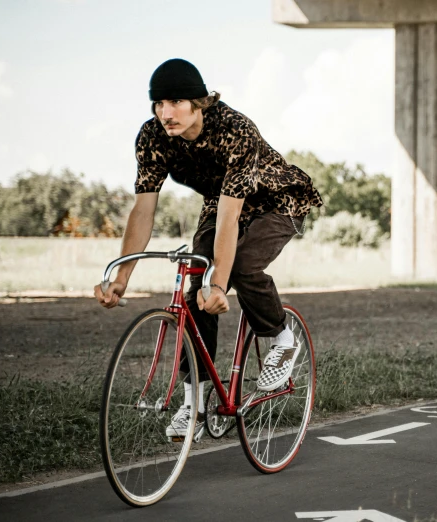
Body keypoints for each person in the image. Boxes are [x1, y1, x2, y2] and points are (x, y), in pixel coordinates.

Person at [93, 58, 323, 436]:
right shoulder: (152, 137)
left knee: (241, 266)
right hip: (222, 203)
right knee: (193, 292)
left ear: (198, 102)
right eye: (158, 104)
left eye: (176, 102)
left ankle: (281, 338)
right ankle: (195, 405)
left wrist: (220, 284)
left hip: (277, 201)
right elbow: (143, 211)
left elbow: (232, 220)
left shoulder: (235, 130)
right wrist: (122, 277)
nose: (166, 113)